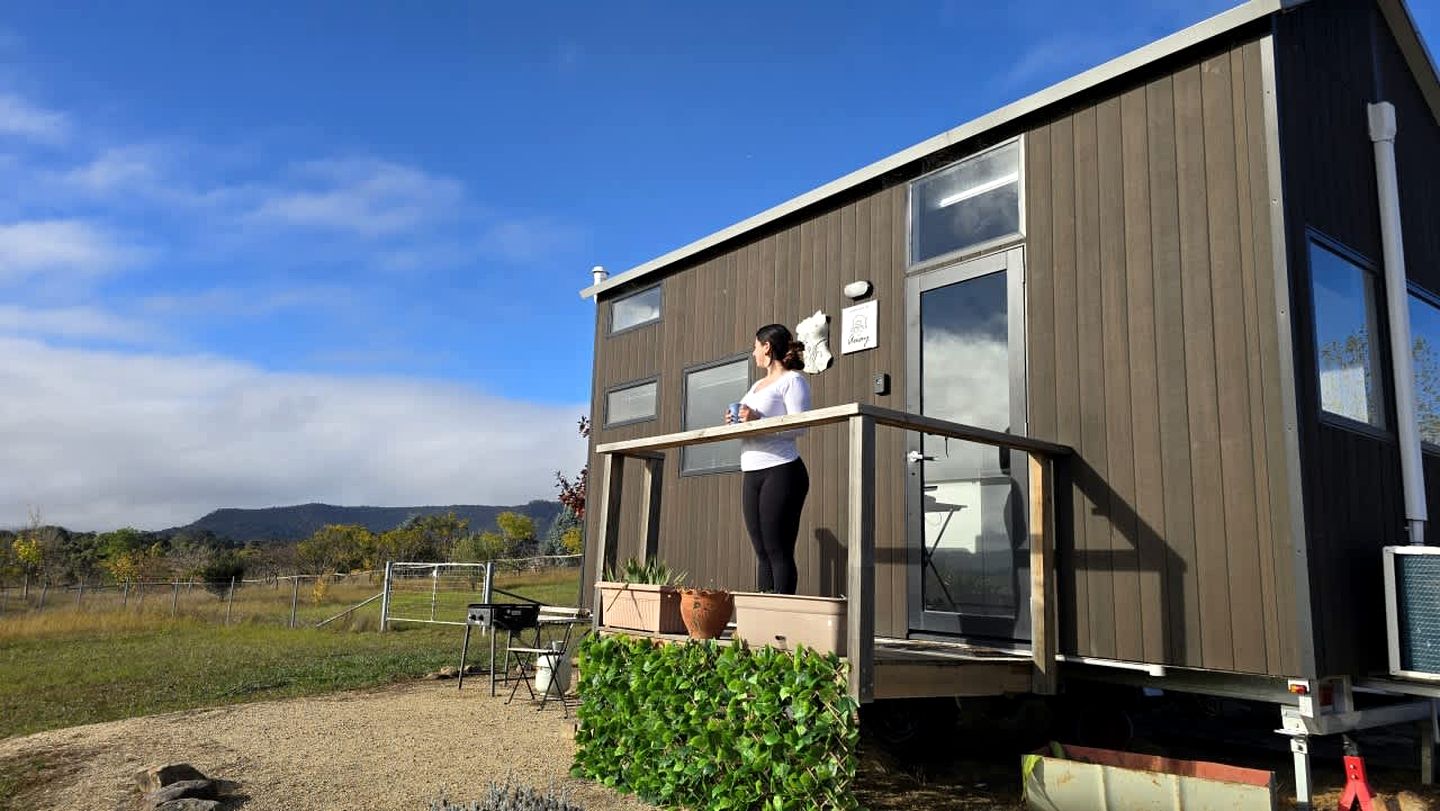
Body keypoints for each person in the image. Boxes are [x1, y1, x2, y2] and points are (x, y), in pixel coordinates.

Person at [724, 323, 812, 595]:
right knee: (761, 550)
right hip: (752, 471)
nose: (753, 353)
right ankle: (765, 619)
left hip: (782, 470)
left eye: (755, 347)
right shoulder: (756, 386)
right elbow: (748, 420)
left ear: (767, 347)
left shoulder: (793, 381)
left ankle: (782, 619)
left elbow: (801, 426)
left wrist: (760, 418)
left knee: (778, 548)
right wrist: (734, 421)